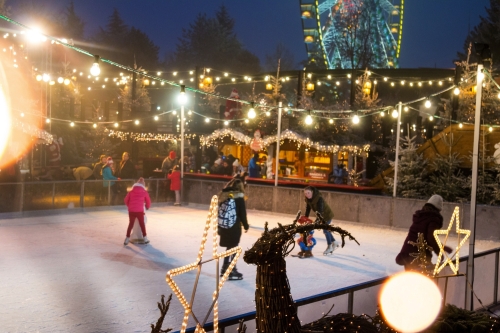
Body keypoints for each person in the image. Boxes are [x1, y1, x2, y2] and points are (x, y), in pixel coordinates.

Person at [395, 195, 452, 271]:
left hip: (408, 251)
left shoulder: (420, 216)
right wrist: (439, 251)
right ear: (439, 207)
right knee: (421, 278)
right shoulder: (434, 218)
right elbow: (431, 237)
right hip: (419, 254)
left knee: (411, 278)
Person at [217, 178, 249, 280]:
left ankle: (224, 269)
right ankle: (232, 270)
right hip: (234, 227)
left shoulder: (224, 196)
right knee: (234, 247)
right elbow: (242, 214)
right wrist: (246, 225)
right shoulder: (239, 198)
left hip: (224, 226)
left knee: (229, 247)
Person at [303, 186, 340, 255]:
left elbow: (320, 211)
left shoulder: (319, 198)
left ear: (312, 192)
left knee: (325, 230)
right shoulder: (308, 199)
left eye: (308, 193)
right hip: (321, 216)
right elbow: (308, 209)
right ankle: (334, 242)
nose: (307, 195)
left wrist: (317, 220)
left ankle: (329, 246)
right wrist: (305, 218)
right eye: (305, 193)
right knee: (327, 230)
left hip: (327, 215)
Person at [123, 177, 151, 245]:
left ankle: (127, 238)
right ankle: (145, 238)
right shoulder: (144, 192)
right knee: (142, 224)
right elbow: (148, 201)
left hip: (131, 211)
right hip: (139, 211)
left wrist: (129, 206)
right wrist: (147, 206)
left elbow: (125, 200)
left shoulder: (131, 192)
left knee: (131, 224)